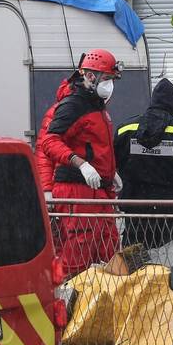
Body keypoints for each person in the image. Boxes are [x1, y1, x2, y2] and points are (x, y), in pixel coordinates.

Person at [42, 48, 124, 281]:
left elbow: (95, 145)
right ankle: (67, 296)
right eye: (106, 78)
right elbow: (49, 141)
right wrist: (81, 164)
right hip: (77, 190)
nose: (109, 85)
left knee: (109, 249)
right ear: (89, 76)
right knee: (79, 252)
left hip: (98, 190)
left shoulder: (96, 105)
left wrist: (110, 172)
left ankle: (104, 299)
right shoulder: (73, 105)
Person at [114, 78, 173, 249]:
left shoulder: (125, 129)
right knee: (172, 258)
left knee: (134, 258)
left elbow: (114, 163)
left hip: (136, 210)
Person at [35, 78, 73, 195]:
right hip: (65, 183)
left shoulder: (94, 109)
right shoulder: (60, 111)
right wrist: (46, 189)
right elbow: (44, 154)